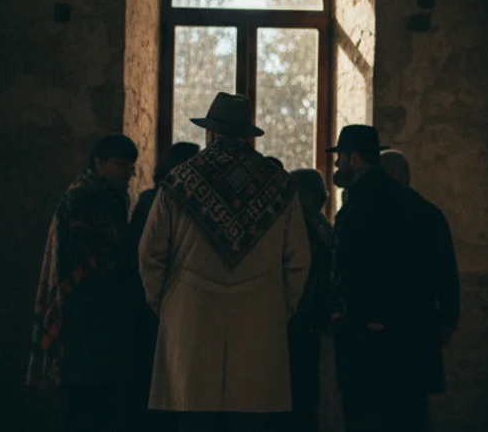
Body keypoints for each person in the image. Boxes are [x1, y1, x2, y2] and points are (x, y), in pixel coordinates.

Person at [138, 92, 310, 432]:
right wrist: (282, 308)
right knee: (248, 418)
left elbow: (150, 254)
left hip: (191, 317)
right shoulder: (280, 185)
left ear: (211, 132)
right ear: (247, 134)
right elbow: (298, 260)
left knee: (195, 417)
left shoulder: (180, 180)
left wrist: (165, 305)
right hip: (259, 318)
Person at [330, 126, 460, 432]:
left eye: (341, 157)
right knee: (410, 416)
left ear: (355, 159)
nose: (337, 164)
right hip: (413, 338)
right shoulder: (423, 210)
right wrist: (447, 320)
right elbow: (445, 271)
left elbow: (352, 269)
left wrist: (361, 313)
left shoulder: (359, 207)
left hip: (368, 341)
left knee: (368, 418)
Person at [28, 134, 140, 432]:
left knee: (98, 397)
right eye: (121, 165)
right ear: (99, 163)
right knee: (83, 399)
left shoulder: (111, 196)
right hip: (83, 310)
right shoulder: (83, 198)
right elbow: (85, 257)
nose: (128, 173)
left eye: (131, 167)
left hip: (102, 312)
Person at [128, 142, 199, 432]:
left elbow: (141, 253)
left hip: (149, 301)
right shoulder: (185, 202)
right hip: (178, 300)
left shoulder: (149, 199)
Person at [286, 168, 335, 432]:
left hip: (300, 321)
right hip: (312, 321)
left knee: (297, 396)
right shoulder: (323, 226)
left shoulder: (306, 229)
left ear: (304, 198)